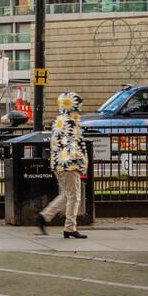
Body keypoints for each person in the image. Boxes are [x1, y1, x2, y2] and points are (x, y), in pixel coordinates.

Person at [39, 91, 89, 238]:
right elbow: (75, 145)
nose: (80, 108)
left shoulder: (58, 120)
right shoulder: (72, 122)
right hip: (69, 165)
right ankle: (70, 228)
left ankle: (45, 216)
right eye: (78, 105)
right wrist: (82, 164)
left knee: (67, 195)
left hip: (58, 164)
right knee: (74, 197)